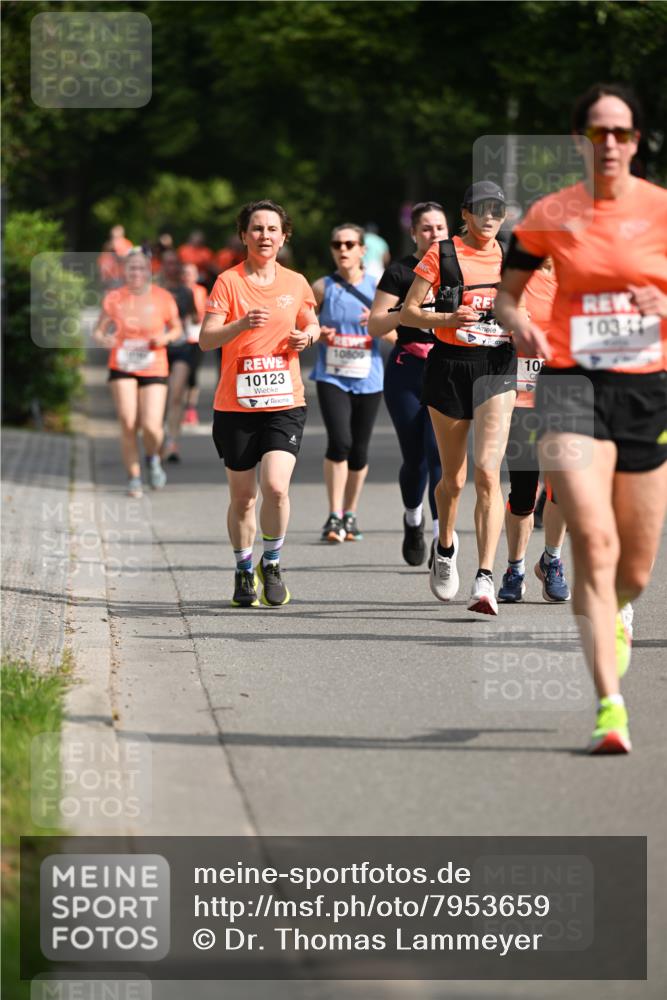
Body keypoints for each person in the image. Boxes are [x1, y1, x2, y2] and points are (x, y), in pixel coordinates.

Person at [495, 82, 667, 754]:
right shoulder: (552, 213)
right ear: (579, 140)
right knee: (592, 540)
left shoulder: (659, 209)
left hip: (645, 392)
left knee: (635, 569)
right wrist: (519, 326)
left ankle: (618, 608)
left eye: (622, 132)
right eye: (598, 132)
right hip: (570, 387)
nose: (610, 143)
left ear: (636, 141)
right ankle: (609, 707)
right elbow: (507, 297)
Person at [400, 182, 517, 616]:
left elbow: (534, 305)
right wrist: (450, 317)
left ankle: (484, 577)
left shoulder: (512, 256)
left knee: (488, 472)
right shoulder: (443, 254)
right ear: (465, 214)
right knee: (453, 479)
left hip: (497, 366)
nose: (489, 218)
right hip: (450, 366)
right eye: (481, 210)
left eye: (497, 211)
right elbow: (409, 312)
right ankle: (445, 546)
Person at [199, 199, 320, 608]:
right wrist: (239, 324)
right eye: (256, 228)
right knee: (243, 498)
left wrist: (308, 337)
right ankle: (242, 567)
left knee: (276, 487)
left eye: (272, 229)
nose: (264, 235)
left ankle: (272, 563)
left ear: (284, 237)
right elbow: (206, 339)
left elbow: (311, 322)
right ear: (243, 235)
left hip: (284, 402)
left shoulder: (296, 282)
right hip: (235, 406)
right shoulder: (228, 282)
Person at [368, 201, 449, 564]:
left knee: (438, 455)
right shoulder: (400, 272)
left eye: (440, 227)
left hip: (447, 370)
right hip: (407, 370)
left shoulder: (458, 269)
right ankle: (413, 519)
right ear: (414, 233)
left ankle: (440, 537)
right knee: (415, 458)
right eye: (426, 228)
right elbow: (375, 325)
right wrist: (407, 311)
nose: (434, 234)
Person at [498, 260, 571, 603]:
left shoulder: (579, 279)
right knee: (524, 491)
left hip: (567, 396)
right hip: (524, 398)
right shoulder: (517, 279)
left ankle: (552, 561)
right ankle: (515, 568)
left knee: (562, 488)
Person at [310, 224, 383, 542]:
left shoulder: (379, 287)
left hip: (369, 378)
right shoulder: (321, 287)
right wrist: (318, 333)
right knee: (340, 441)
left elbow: (398, 334)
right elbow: (301, 325)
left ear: (362, 250)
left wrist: (377, 324)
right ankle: (334, 514)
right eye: (337, 244)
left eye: (350, 244)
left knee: (359, 450)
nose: (343, 249)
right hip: (332, 376)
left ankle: (350, 514)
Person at [92, 250, 181, 497]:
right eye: (132, 268)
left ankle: (152, 458)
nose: (136, 273)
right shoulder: (114, 297)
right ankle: (133, 477)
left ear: (149, 270)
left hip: (154, 365)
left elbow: (176, 329)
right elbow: (98, 330)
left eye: (141, 268)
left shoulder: (163, 297)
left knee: (152, 426)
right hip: (122, 364)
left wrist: (165, 338)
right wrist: (104, 339)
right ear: (124, 271)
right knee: (128, 421)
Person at [158, 251, 198, 462]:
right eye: (168, 263)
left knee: (176, 395)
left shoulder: (186, 291)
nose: (172, 267)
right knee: (160, 397)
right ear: (162, 266)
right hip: (157, 349)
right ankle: (157, 438)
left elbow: (194, 317)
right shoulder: (155, 291)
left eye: (175, 263)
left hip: (181, 347)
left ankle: (172, 442)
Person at [181, 262, 209, 427]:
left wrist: (199, 317)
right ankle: (179, 406)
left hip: (196, 338)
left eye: (191, 273)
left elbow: (206, 312)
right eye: (185, 273)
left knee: (192, 374)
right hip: (180, 339)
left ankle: (190, 409)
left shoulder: (201, 291)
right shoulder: (177, 291)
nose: (187, 276)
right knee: (180, 374)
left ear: (196, 275)